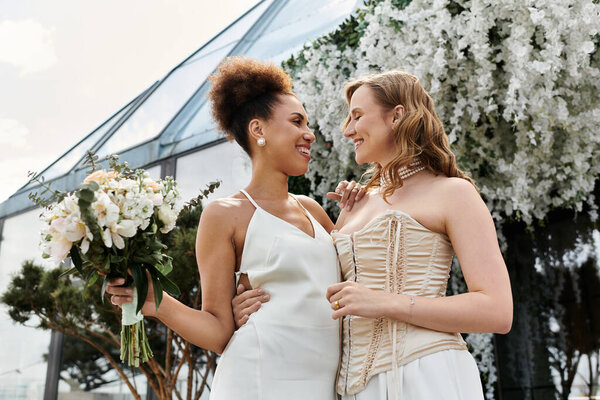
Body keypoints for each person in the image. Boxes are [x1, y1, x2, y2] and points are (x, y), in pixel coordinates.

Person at [233, 70, 513, 399]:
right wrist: (254, 306)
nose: (347, 130)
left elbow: (497, 310)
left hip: (425, 377)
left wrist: (386, 303)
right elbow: (320, 287)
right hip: (354, 390)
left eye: (357, 116)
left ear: (396, 116)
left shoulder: (453, 193)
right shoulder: (355, 204)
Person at [105, 57, 364, 399]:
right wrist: (157, 300)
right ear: (259, 130)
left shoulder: (315, 210)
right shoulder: (223, 214)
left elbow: (356, 275)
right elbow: (217, 331)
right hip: (258, 377)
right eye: (297, 121)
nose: (310, 134)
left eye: (307, 123)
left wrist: (359, 208)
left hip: (323, 385)